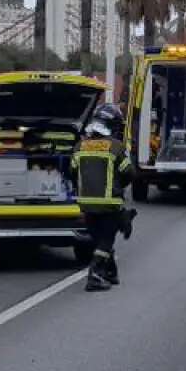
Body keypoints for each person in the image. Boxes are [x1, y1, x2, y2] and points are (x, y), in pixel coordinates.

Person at [78, 104, 136, 292]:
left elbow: (72, 171)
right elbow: (129, 172)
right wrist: (118, 187)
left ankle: (109, 272)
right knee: (106, 240)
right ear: (112, 125)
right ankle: (94, 275)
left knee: (98, 238)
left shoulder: (80, 146)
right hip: (109, 204)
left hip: (85, 203)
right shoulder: (116, 148)